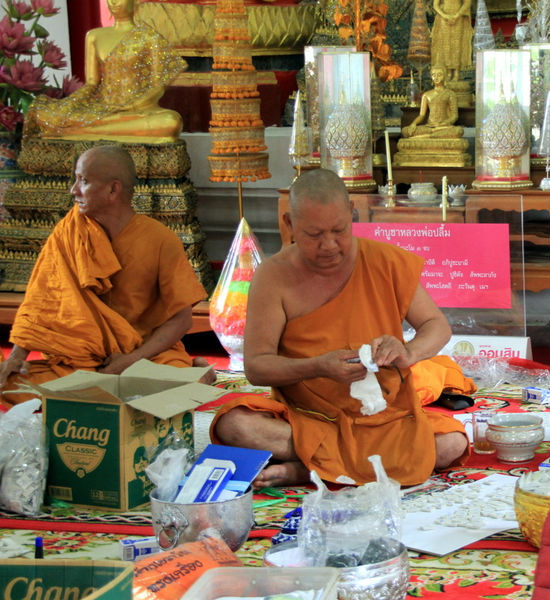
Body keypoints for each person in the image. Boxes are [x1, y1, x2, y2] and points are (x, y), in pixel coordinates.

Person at [211, 169, 469, 488]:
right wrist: (317, 367)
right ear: (289, 224)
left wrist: (408, 351)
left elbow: (437, 326)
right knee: (235, 425)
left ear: (352, 214)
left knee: (453, 442)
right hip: (311, 419)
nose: (329, 245)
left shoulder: (384, 261)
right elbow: (257, 367)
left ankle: (307, 469)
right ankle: (339, 465)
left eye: (339, 230)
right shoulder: (272, 277)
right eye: (314, 234)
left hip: (384, 419)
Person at [0, 145, 210, 407]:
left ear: (113, 190)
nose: (73, 190)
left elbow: (181, 321)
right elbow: (40, 304)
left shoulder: (160, 240)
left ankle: (196, 372)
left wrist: (130, 360)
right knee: (11, 385)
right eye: (76, 179)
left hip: (142, 358)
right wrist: (16, 357)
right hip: (80, 363)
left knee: (171, 388)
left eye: (83, 181)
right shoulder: (68, 233)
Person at [24, 0, 185, 143]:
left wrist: (134, 104)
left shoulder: (149, 37)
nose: (114, 3)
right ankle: (84, 128)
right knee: (48, 116)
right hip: (104, 108)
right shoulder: (95, 36)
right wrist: (68, 105)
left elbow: (159, 84)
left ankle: (81, 130)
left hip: (139, 110)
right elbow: (92, 83)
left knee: (171, 122)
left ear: (136, 2)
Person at [401, 67, 464, 138]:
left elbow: (454, 115)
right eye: (434, 75)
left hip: (444, 126)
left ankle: (428, 136)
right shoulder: (426, 95)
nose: (436, 77)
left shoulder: (450, 94)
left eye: (439, 75)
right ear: (431, 77)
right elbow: (422, 115)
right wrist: (413, 124)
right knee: (405, 131)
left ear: (445, 76)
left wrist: (445, 123)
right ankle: (433, 134)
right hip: (429, 126)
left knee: (459, 131)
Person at [431, 0, 473, 82]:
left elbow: (467, 3)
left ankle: (457, 71)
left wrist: (457, 15)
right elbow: (435, 5)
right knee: (446, 44)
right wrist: (444, 15)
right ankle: (448, 71)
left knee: (457, 44)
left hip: (458, 16)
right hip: (444, 18)